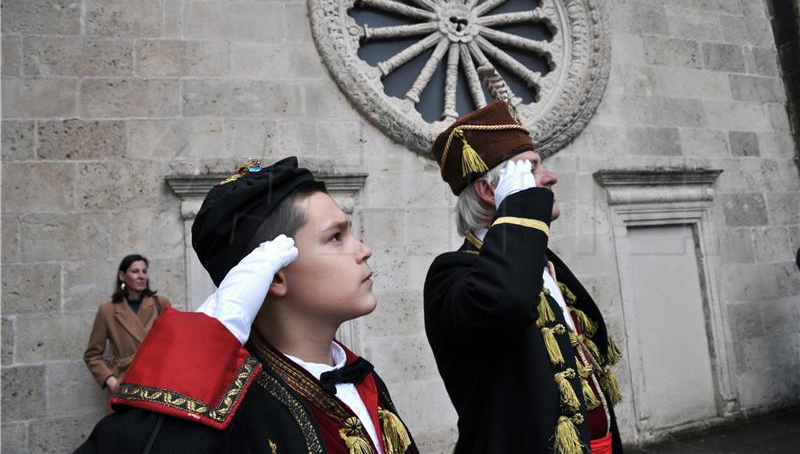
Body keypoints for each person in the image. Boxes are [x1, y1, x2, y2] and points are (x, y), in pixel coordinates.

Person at [76, 157, 417, 454]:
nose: (363, 249)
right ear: (275, 275)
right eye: (335, 237)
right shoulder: (239, 411)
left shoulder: (363, 377)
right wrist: (213, 335)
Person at [424, 101, 624, 454]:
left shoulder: (541, 259)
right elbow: (508, 301)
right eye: (531, 169)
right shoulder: (453, 274)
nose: (550, 177)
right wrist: (518, 210)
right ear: (491, 192)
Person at [83, 254, 171, 395]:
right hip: (126, 382)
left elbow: (173, 343)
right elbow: (92, 355)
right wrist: (111, 381)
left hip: (158, 380)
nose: (141, 276)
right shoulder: (108, 311)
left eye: (144, 271)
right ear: (122, 276)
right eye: (135, 272)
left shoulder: (161, 304)